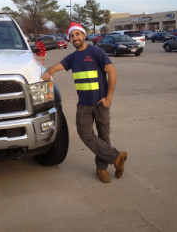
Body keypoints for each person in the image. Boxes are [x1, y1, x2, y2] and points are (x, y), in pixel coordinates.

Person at [41, 22, 127, 183]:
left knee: (103, 136)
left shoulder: (96, 52)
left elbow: (112, 72)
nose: (75, 38)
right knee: (85, 134)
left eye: (78, 34)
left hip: (101, 103)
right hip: (84, 105)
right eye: (72, 36)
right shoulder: (72, 58)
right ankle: (117, 157)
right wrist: (46, 72)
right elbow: (55, 68)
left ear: (84, 35)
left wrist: (109, 98)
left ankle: (101, 169)